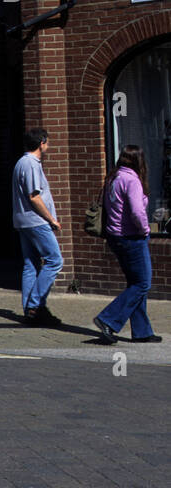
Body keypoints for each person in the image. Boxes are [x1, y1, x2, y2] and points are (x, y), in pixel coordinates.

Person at [94, 145, 161, 343]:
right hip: (131, 238)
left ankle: (142, 331)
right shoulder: (132, 180)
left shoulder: (113, 178)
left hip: (115, 237)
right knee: (143, 283)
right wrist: (145, 230)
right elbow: (137, 212)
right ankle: (108, 319)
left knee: (135, 283)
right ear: (139, 161)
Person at [11, 128, 63, 326]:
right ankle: (35, 305)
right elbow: (34, 196)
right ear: (41, 143)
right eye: (47, 142)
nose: (48, 145)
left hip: (23, 221)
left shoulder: (20, 163)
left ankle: (29, 311)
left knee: (31, 264)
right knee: (55, 260)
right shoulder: (31, 164)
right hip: (36, 221)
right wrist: (51, 219)